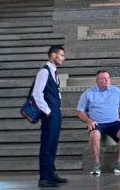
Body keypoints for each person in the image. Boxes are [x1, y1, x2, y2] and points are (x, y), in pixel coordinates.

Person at [77, 71, 120, 176]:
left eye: (108, 78)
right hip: (98, 123)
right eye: (103, 78)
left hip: (114, 122)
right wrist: (89, 121)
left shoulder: (116, 91)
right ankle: (96, 164)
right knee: (94, 135)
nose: (106, 80)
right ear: (97, 81)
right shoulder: (88, 93)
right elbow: (79, 111)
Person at [33, 45, 67, 188]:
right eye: (61, 55)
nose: (63, 58)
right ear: (53, 55)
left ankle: (51, 173)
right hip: (49, 115)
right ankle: (44, 177)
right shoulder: (44, 72)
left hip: (55, 113)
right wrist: (48, 111)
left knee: (53, 144)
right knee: (47, 144)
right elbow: (37, 93)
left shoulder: (54, 73)